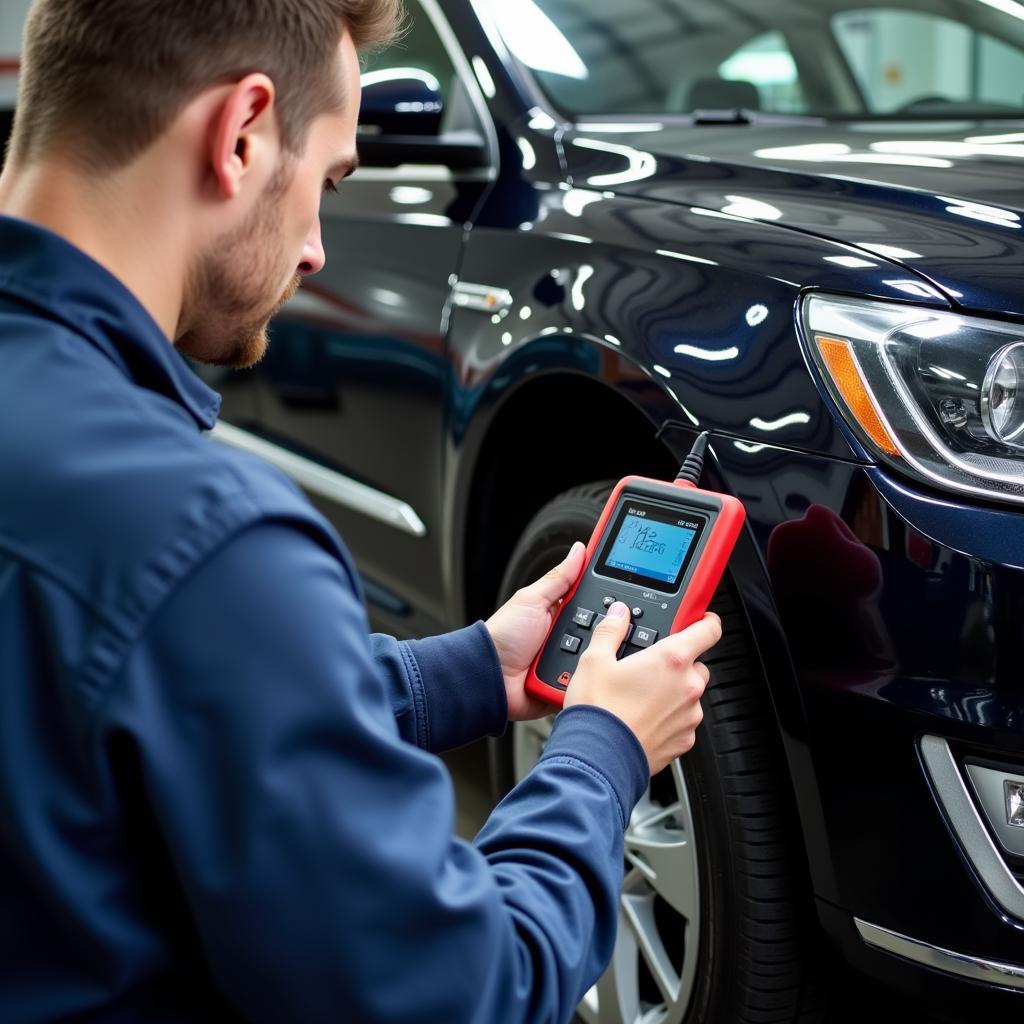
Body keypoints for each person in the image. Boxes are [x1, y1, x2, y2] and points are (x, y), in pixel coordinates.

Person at [0, 1, 719, 1020]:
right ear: (241, 133)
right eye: (329, 182)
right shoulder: (210, 540)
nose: (317, 252)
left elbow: (130, 691)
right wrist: (603, 751)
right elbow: (466, 990)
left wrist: (475, 669)